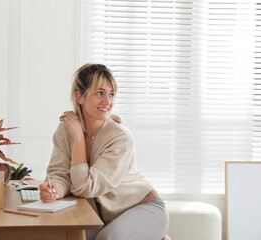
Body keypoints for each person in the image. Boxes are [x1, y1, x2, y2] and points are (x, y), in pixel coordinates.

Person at [39, 63, 169, 240]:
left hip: (142, 207)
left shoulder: (120, 138)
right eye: (100, 93)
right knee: (66, 233)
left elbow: (85, 187)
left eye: (111, 94)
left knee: (107, 239)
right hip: (104, 216)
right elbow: (60, 173)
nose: (107, 102)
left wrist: (78, 138)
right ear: (80, 97)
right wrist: (56, 190)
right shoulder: (65, 130)